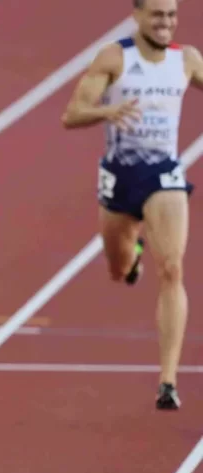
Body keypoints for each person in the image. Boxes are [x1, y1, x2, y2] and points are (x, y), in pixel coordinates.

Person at [61, 0, 201, 410]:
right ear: (137, 16)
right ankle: (133, 254)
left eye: (171, 15)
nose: (166, 22)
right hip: (120, 178)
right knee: (118, 269)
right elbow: (72, 115)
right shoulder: (114, 58)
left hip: (163, 173)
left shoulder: (187, 59)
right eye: (157, 15)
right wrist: (107, 110)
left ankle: (168, 382)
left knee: (172, 268)